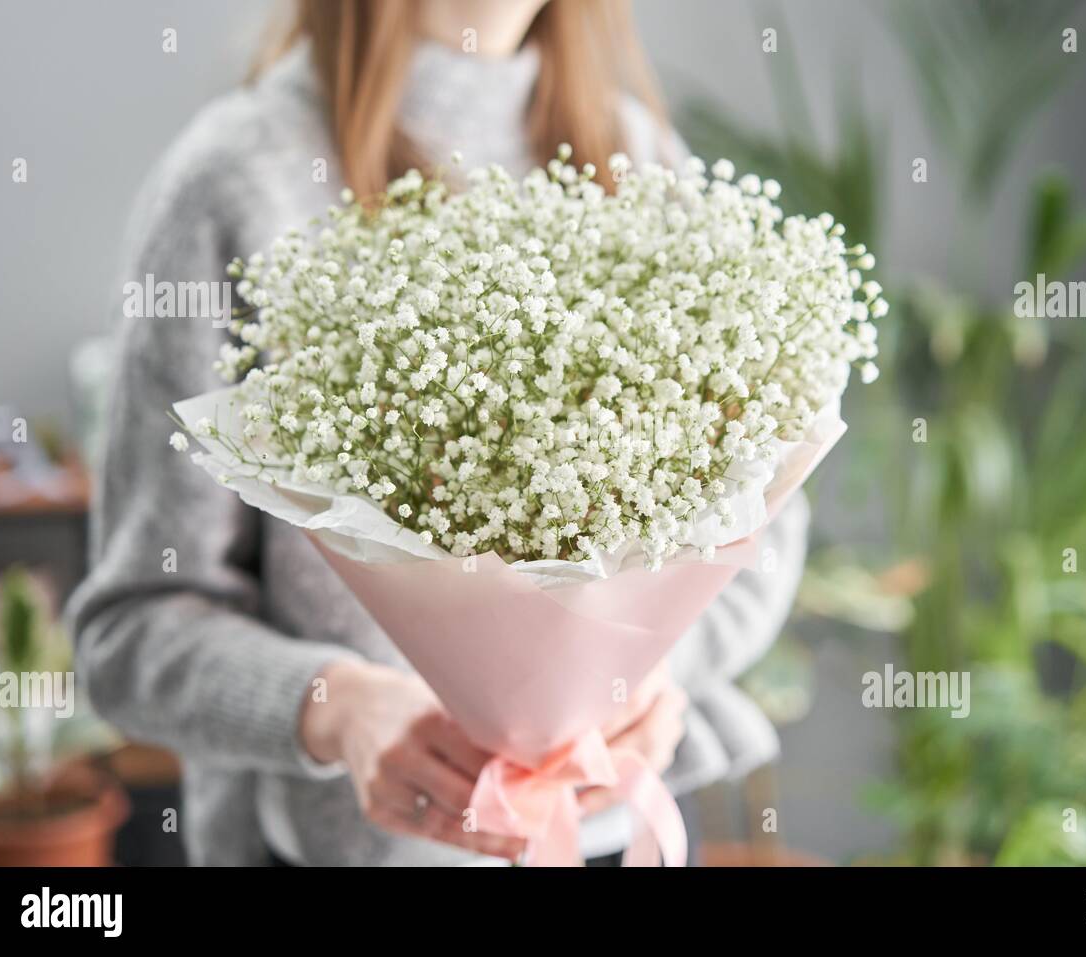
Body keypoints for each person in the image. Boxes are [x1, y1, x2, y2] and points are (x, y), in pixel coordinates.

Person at [67, 0, 809, 866]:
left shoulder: (641, 162)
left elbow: (761, 527)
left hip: (606, 836)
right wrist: (333, 708)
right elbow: (132, 629)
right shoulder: (237, 181)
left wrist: (652, 676)